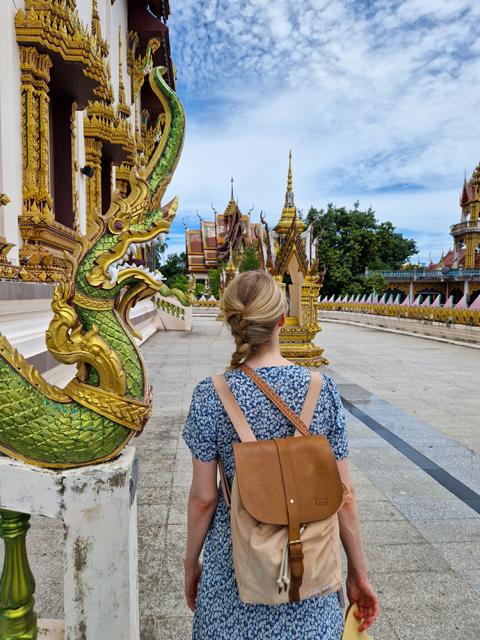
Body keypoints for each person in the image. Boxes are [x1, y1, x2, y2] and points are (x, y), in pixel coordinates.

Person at [182, 270, 379, 639]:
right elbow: (345, 496)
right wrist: (358, 573)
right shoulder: (322, 390)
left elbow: (204, 499)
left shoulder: (211, 394)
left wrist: (191, 562)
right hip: (309, 580)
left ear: (232, 323)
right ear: (282, 319)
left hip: (233, 577)